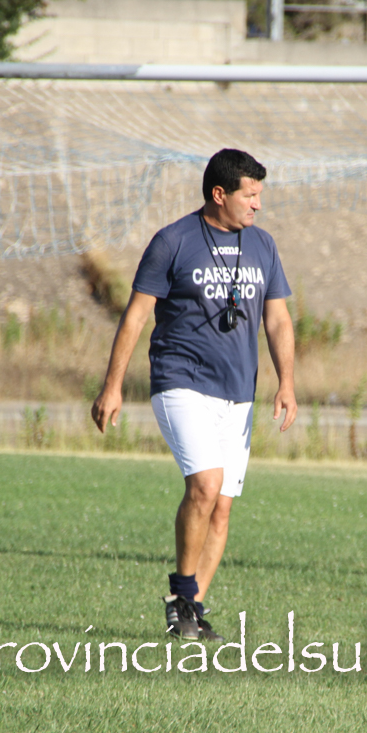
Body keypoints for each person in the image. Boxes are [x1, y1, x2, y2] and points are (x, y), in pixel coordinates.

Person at [92, 148, 297, 641]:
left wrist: (287, 382)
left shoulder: (263, 245)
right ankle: (181, 596)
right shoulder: (173, 241)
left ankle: (192, 610)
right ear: (219, 194)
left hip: (238, 391)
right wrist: (113, 385)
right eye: (249, 196)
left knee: (221, 506)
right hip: (180, 380)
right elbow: (136, 316)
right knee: (205, 485)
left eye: (260, 195)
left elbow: (277, 319)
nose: (258, 205)